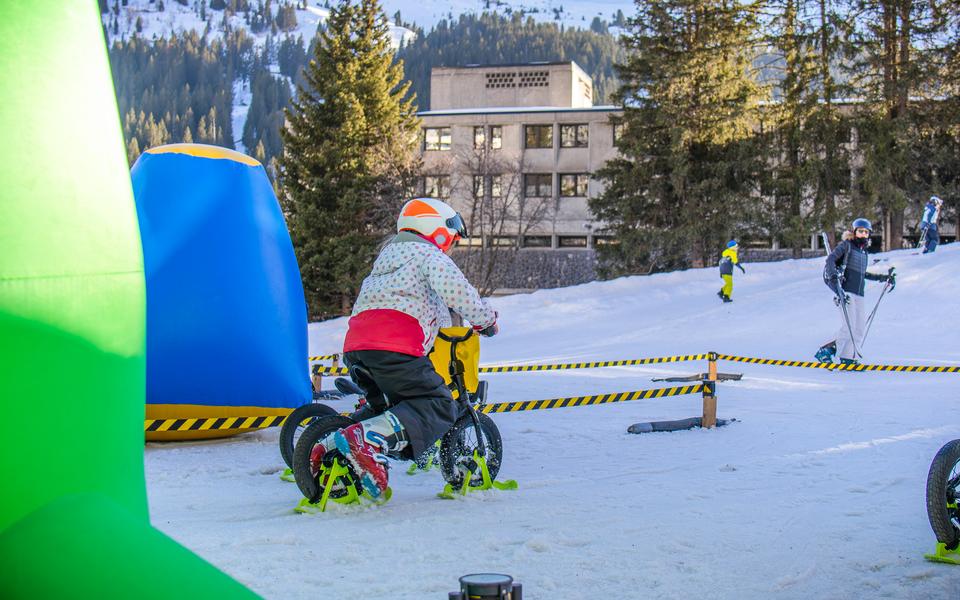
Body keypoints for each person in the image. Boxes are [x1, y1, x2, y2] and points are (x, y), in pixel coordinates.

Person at [310, 198, 498, 499]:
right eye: (451, 235)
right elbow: (458, 291)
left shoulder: (388, 259)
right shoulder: (427, 254)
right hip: (395, 348)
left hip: (358, 348)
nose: (451, 244)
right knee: (436, 403)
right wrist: (485, 321)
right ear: (435, 227)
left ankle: (332, 442)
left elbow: (429, 304)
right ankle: (367, 439)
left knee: (386, 407)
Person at [814, 218, 895, 366]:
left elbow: (863, 274)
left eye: (866, 232)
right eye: (860, 231)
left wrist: (884, 278)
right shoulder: (847, 246)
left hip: (860, 294)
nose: (863, 234)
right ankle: (825, 350)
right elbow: (830, 260)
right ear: (854, 232)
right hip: (846, 292)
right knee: (848, 326)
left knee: (859, 329)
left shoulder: (864, 253)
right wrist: (833, 276)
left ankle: (848, 358)